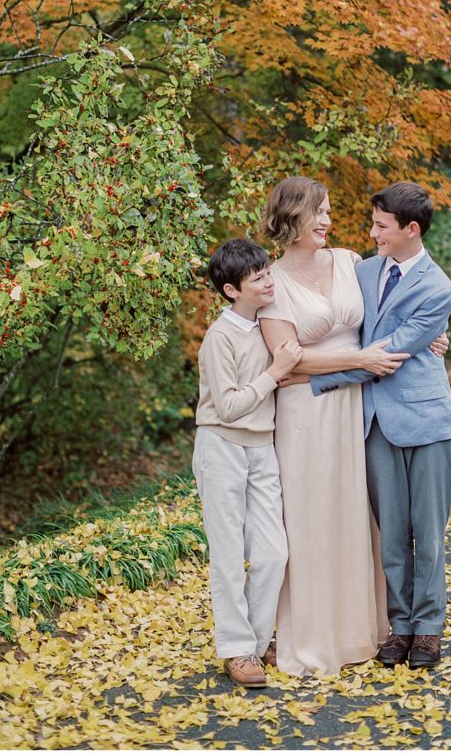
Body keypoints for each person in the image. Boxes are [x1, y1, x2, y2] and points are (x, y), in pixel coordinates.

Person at [258, 177, 447, 676]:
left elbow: (393, 330)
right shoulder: (312, 276)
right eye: (318, 212)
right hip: (330, 413)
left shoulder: (372, 268)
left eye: (328, 211)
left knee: (394, 527)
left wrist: (433, 337)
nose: (329, 221)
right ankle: (351, 630)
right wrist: (345, 362)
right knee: (340, 526)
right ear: (293, 217)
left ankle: (403, 629)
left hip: (373, 407)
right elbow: (294, 355)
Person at [311, 182, 451, 670]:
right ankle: (400, 627)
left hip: (428, 421)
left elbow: (389, 353)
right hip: (373, 420)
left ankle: (429, 629)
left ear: (410, 230)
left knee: (428, 533)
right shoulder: (363, 269)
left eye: (381, 226)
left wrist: (315, 377)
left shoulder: (440, 289)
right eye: (372, 223)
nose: (371, 232)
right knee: (391, 532)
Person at [192, 238, 302, 688]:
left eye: (268, 273)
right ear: (232, 291)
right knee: (228, 555)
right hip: (221, 446)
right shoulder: (219, 338)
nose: (269, 282)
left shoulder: (267, 327)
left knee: (274, 553)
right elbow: (230, 406)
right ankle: (237, 650)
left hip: (263, 449)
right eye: (258, 279)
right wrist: (274, 373)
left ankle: (257, 644)